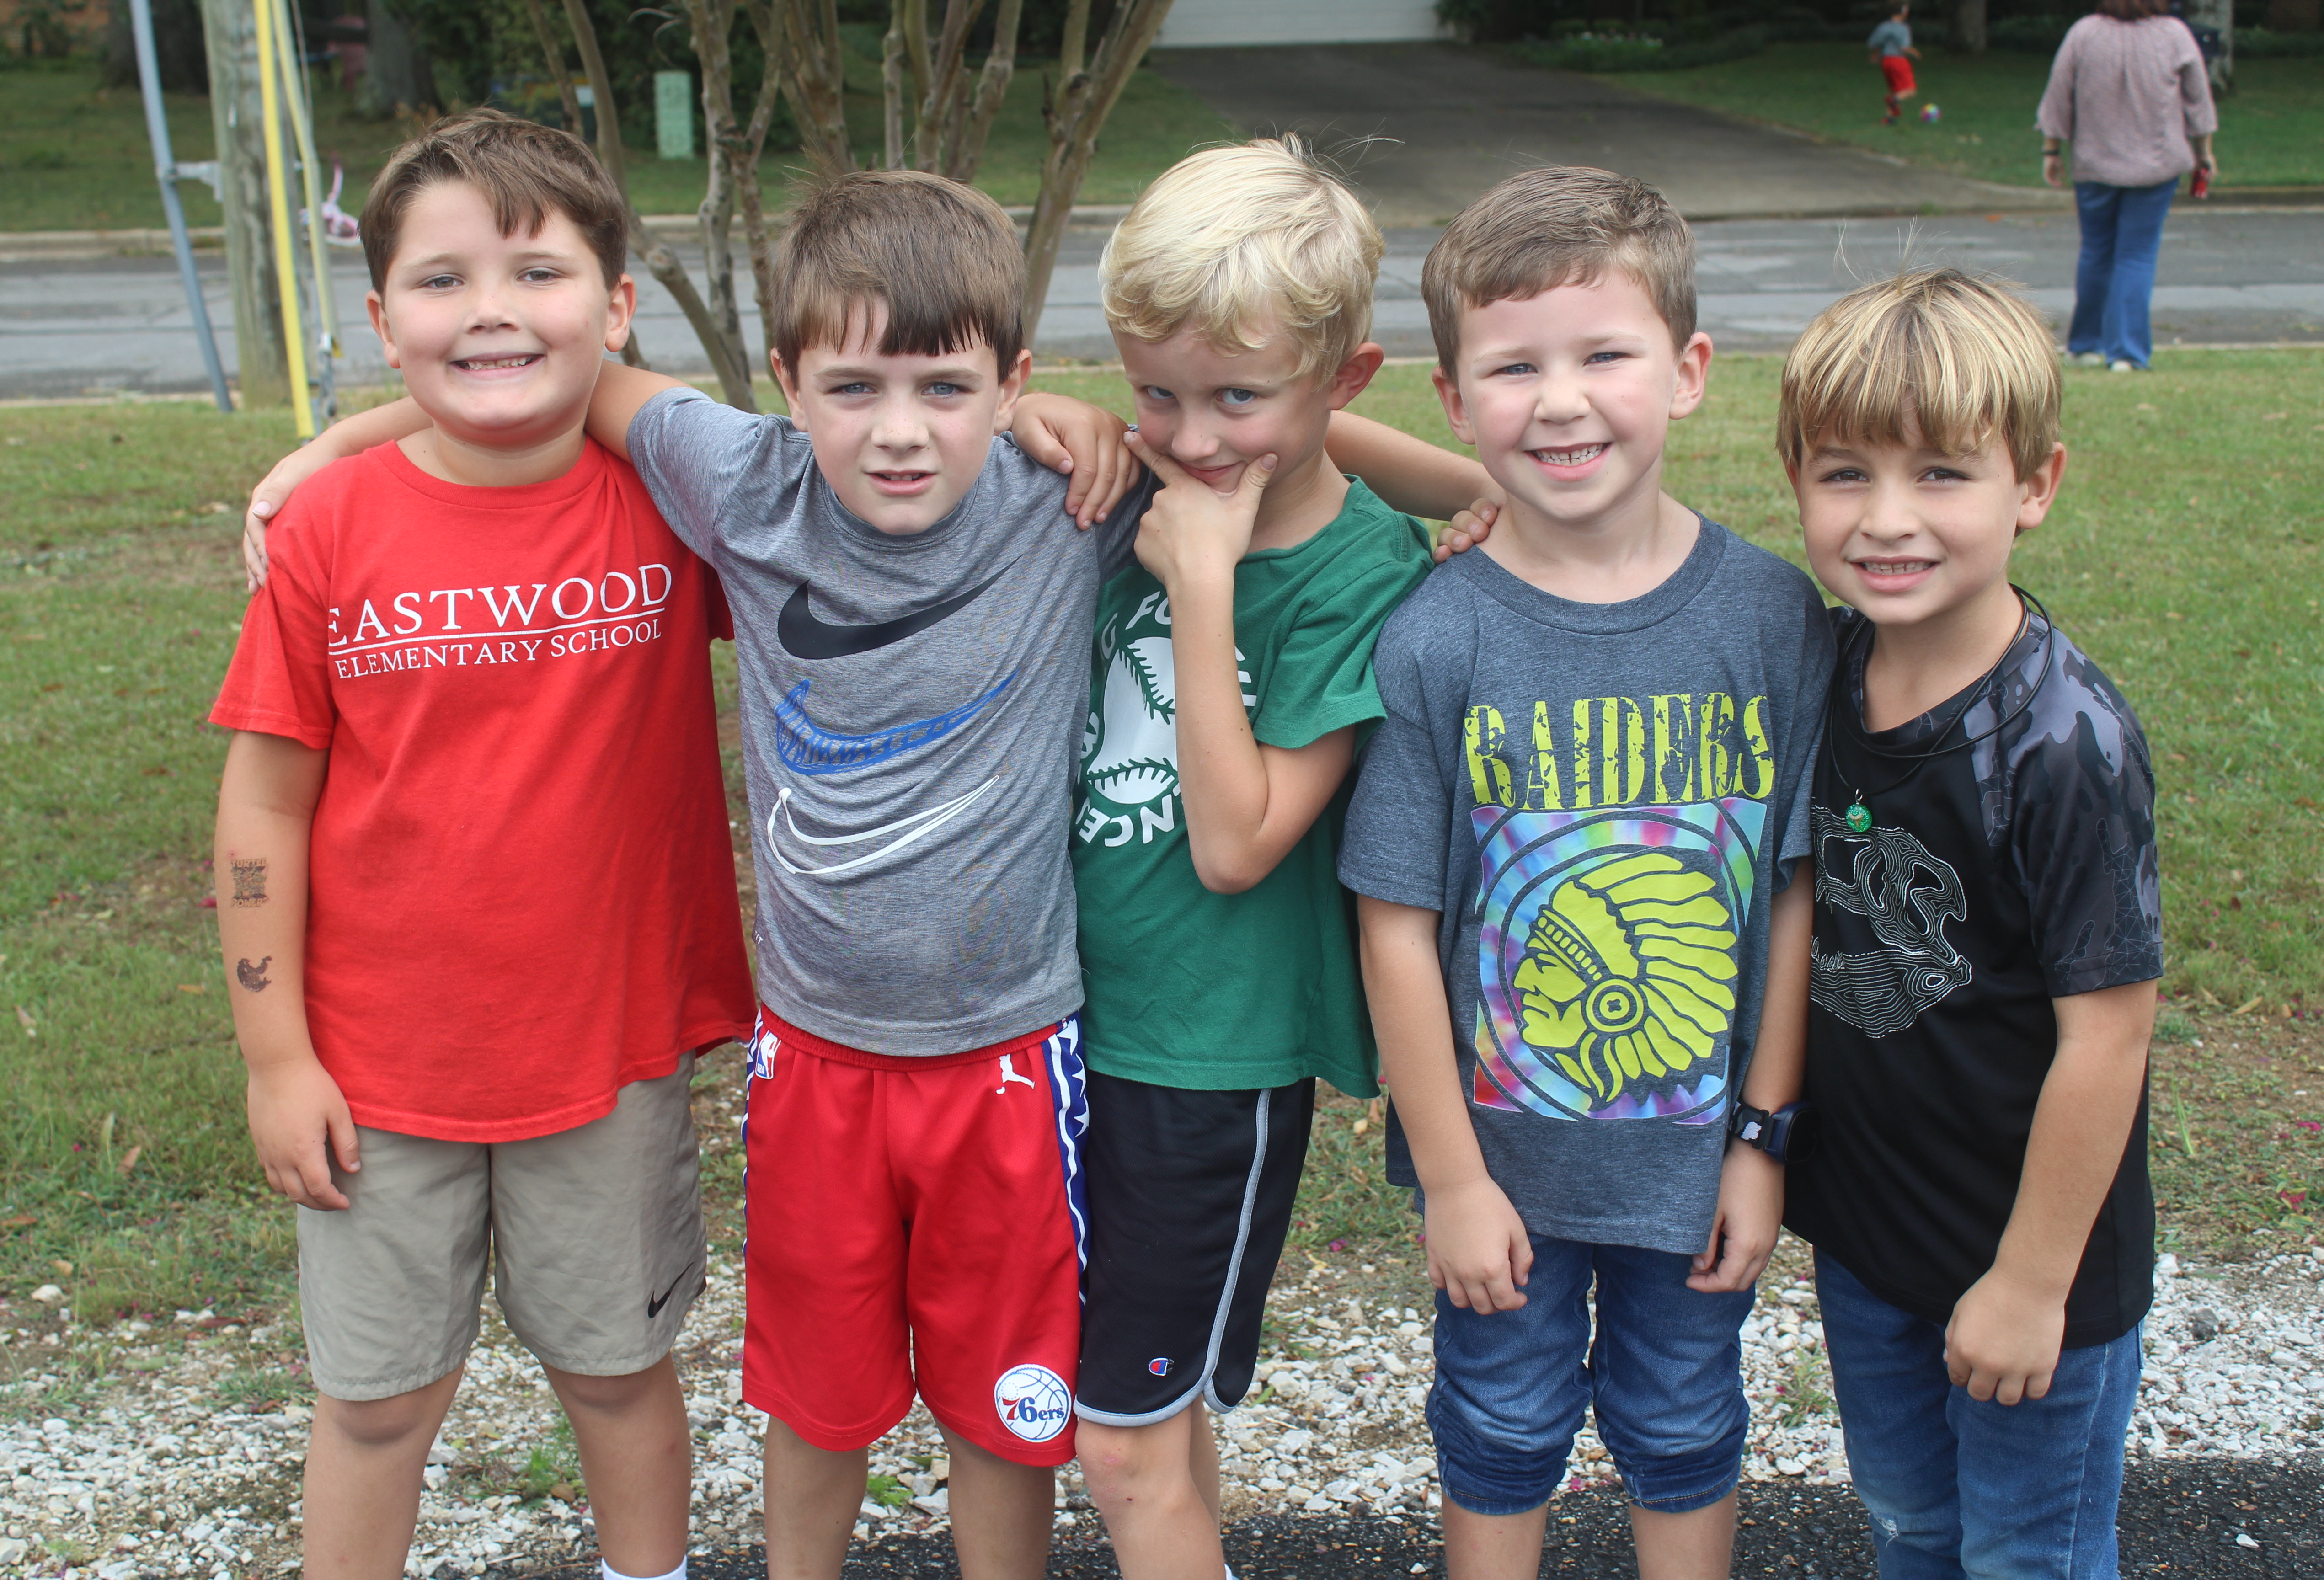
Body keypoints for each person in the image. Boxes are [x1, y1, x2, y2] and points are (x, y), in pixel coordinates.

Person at [241, 160, 1484, 1580]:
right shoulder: (743, 478)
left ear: (1011, 382)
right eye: (852, 391)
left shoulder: (1072, 494)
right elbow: (548, 370)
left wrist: (1482, 491)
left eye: (948, 391)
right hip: (816, 1055)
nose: (899, 433)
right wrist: (339, 444)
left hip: (1012, 1055)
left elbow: (1280, 420)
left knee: (1009, 1408)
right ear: (783, 380)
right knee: (815, 1399)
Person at [210, 109, 756, 1580]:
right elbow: (263, 806)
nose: (495, 311)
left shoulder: (673, 502)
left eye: (540, 273)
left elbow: (773, 436)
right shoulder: (329, 534)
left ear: (619, 308)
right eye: (443, 283)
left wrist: (353, 416)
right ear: (381, 319)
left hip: (610, 1052)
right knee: (379, 1402)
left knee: (616, 1377)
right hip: (378, 1072)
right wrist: (276, 1057)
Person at [1341, 165, 1832, 1580]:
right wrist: (1450, 1178)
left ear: (1685, 372)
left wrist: (1762, 1138)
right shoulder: (1438, 635)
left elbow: (1793, 897)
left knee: (1686, 1426)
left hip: (1697, 1164)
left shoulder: (1770, 618)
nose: (1560, 403)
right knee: (1497, 1427)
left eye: (1603, 355)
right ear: (1452, 400)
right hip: (1504, 1172)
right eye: (1514, 368)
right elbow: (1395, 924)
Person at [1067, 140, 1469, 1580]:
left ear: (1342, 383)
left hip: (1211, 1063)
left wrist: (1205, 578)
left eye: (1238, 397)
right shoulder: (1157, 477)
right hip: (1072, 1033)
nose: (1191, 436)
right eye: (1153, 392)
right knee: (1153, 1422)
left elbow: (1238, 847)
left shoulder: (1363, 580)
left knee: (1114, 1441)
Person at [1777, 269, 2162, 1579]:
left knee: (2028, 1559)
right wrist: (1471, 501)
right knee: (1911, 1534)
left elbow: (2108, 1040)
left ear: (2035, 485)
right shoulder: (1819, 670)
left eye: (1943, 474)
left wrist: (2031, 1283)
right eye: (1845, 475)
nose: (1889, 520)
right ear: (1795, 479)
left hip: (2031, 1267)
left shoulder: (2068, 746)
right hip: (1870, 1242)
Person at [2036, 0, 2219, 373]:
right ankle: (2126, 353)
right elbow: (2198, 100)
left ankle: (2084, 346)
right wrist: (2204, 153)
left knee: (2096, 252)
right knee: (2135, 255)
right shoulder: (2173, 35)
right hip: (2156, 165)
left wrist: (2052, 149)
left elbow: (2058, 93)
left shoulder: (2084, 32)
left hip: (2094, 164)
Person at [1867, 3, 1923, 126]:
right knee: (1910, 90)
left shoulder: (1883, 27)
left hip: (1886, 61)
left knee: (1896, 90)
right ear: (1903, 12)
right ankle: (1894, 101)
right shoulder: (1904, 28)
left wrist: (1875, 55)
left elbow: (1874, 43)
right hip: (1899, 61)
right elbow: (1904, 48)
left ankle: (1889, 119)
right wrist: (1915, 52)